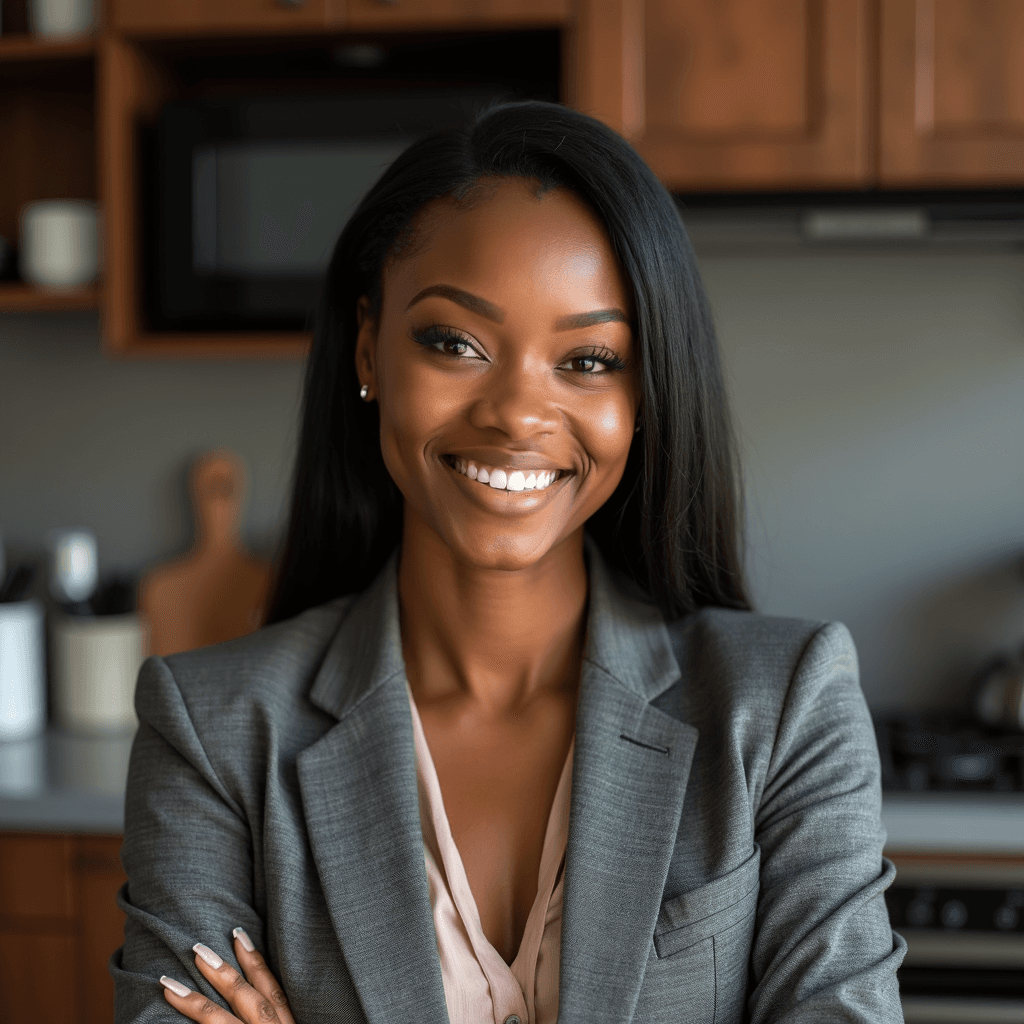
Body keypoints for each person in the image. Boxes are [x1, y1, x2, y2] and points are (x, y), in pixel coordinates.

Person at [111, 100, 906, 1024]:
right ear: (369, 348)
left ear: (648, 394)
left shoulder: (785, 707)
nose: (516, 414)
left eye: (590, 359)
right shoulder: (209, 731)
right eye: (456, 343)